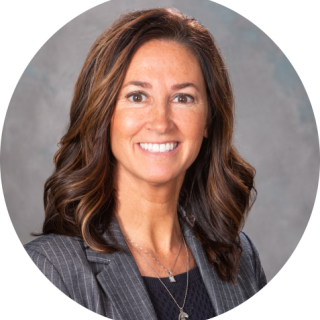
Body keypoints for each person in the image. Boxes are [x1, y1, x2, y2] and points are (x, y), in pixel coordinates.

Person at [23, 7, 267, 320]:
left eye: (183, 98)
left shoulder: (240, 256)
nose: (161, 122)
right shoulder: (52, 269)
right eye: (137, 96)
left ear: (209, 119)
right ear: (104, 114)